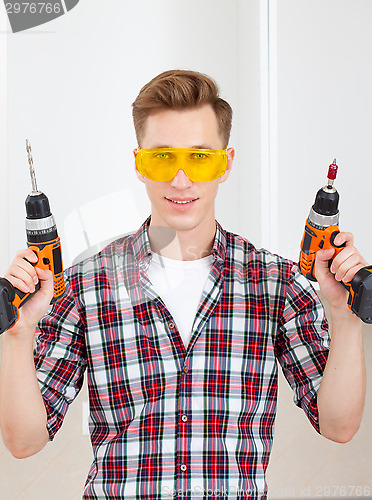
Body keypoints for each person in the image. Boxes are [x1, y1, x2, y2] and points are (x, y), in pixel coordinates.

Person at [0, 70, 367, 500]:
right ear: (138, 162)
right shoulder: (85, 284)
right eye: (161, 158)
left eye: (199, 157)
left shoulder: (277, 283)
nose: (180, 180)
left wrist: (346, 318)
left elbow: (338, 426)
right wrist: (17, 333)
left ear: (226, 162)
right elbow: (25, 441)